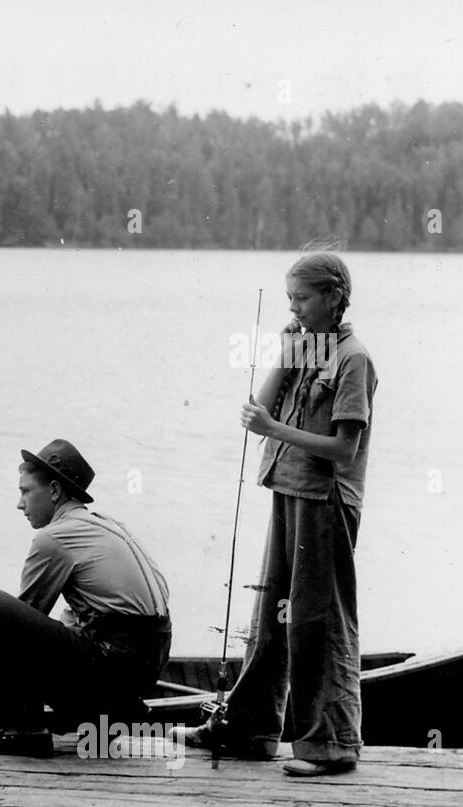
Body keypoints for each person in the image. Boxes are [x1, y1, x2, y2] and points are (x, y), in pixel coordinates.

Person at [175, 253, 377, 777]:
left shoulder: (353, 359)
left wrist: (275, 428)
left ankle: (330, 746)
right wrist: (286, 357)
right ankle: (249, 730)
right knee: (271, 617)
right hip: (287, 489)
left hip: (326, 503)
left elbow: (344, 451)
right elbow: (256, 413)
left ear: (333, 297)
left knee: (317, 623)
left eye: (302, 298)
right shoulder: (306, 348)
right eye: (289, 298)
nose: (293, 307)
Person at [0, 439, 172, 757]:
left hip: (113, 667)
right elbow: (84, 613)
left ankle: (21, 730)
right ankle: (109, 717)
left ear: (54, 491)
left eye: (25, 491)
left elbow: (16, 626)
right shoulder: (106, 525)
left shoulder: (53, 537)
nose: (19, 504)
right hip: (140, 671)